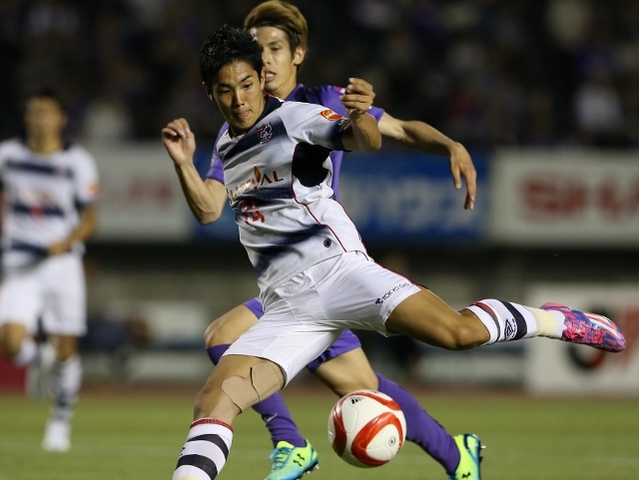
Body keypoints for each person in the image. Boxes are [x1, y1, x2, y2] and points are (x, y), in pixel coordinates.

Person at [162, 25, 625, 480]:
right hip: (287, 308)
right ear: (209, 92)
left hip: (340, 273)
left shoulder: (295, 118)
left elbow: (364, 140)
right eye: (225, 91)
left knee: (458, 333)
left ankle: (552, 320)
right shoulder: (225, 144)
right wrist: (184, 163)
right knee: (213, 401)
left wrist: (360, 116)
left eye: (246, 85)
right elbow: (207, 209)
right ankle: (290, 446)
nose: (239, 100)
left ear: (261, 78)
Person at [202, 2, 482, 480]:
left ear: (298, 54)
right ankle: (458, 456)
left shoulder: (323, 100)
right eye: (256, 49)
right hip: (287, 282)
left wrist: (451, 145)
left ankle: (290, 444)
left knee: (224, 335)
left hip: (332, 265)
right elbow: (210, 202)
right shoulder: (237, 130)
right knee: (364, 386)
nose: (264, 59)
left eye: (274, 48)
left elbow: (397, 129)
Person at [0, 88, 100, 452]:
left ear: (61, 118)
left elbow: (90, 219)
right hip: (20, 264)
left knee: (66, 351)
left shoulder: (77, 161)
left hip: (61, 264)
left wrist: (65, 241)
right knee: (10, 345)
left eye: (45, 112)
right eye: (33, 112)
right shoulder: (7, 155)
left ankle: (60, 421)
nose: (38, 119)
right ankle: (35, 358)